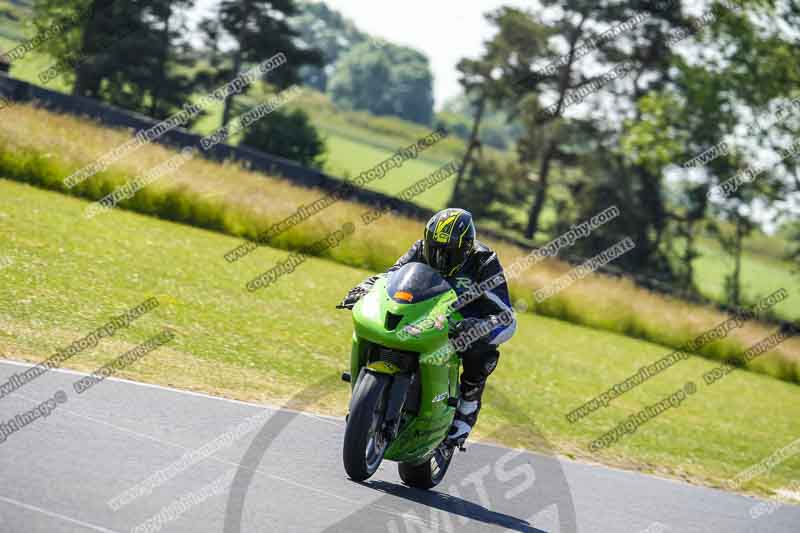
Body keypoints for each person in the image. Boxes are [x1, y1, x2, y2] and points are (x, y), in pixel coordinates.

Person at [338, 208, 516, 446]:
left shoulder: (485, 262)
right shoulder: (420, 249)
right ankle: (369, 391)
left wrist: (478, 327)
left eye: (448, 253)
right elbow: (388, 278)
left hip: (463, 320)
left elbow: (507, 317)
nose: (439, 257)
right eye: (434, 248)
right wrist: (362, 288)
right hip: (425, 312)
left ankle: (467, 405)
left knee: (482, 350)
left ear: (466, 249)